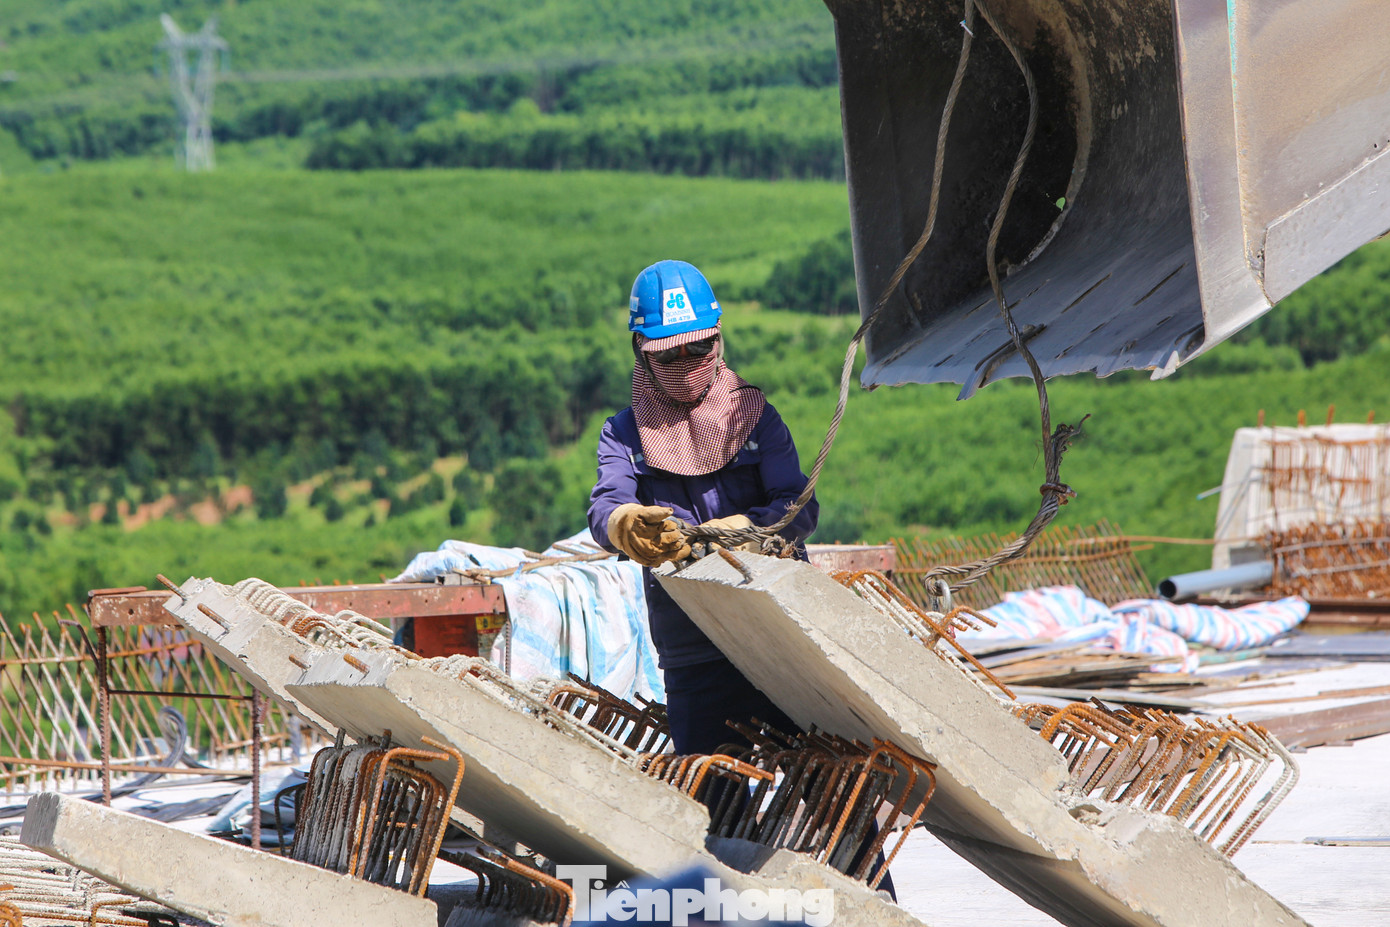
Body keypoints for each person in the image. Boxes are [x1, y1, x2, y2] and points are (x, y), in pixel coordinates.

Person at [587, 259, 819, 757]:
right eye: (670, 355)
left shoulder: (758, 419)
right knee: (715, 805)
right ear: (641, 353)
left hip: (782, 634)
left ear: (717, 341)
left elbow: (798, 505)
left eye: (699, 347)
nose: (688, 363)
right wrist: (623, 524)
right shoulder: (623, 435)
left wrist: (751, 529)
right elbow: (608, 504)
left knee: (833, 792)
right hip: (692, 647)